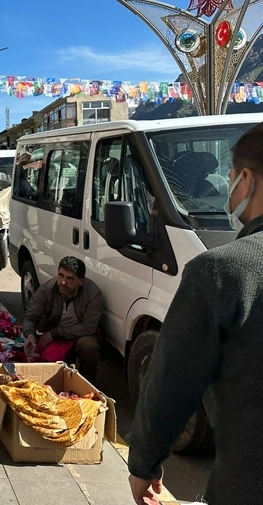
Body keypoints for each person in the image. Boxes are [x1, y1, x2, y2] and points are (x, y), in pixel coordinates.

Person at [127, 122, 263, 505]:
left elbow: (172, 380)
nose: (227, 188)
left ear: (247, 180)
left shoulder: (223, 270)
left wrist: (144, 464)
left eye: (231, 178)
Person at [22, 257, 102, 381]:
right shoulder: (46, 289)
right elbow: (30, 317)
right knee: (46, 374)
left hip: (79, 334)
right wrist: (30, 334)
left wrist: (54, 334)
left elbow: (88, 327)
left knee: (89, 346)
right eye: (61, 275)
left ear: (81, 281)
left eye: (70, 278)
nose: (63, 282)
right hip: (53, 333)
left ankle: (88, 382)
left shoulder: (93, 293)